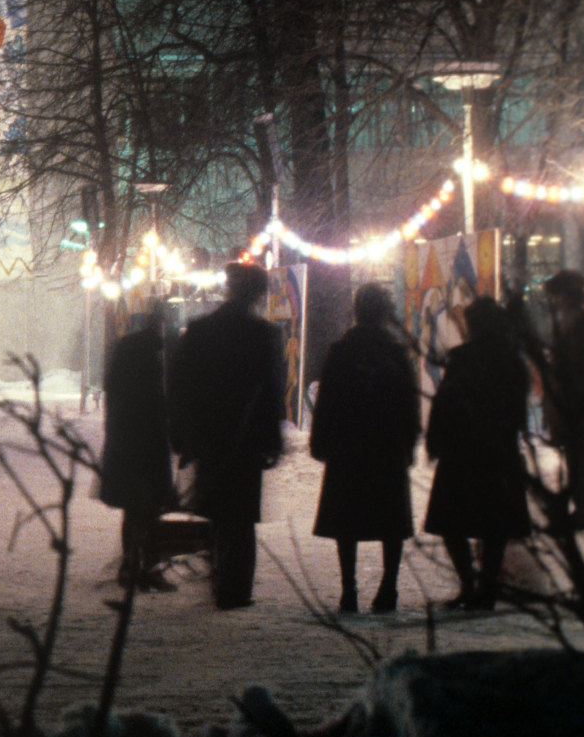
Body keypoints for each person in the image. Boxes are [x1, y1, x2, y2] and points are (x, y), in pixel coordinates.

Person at [167, 262, 287, 610]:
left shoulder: (202, 330)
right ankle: (235, 587)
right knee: (242, 517)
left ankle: (219, 575)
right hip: (246, 440)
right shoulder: (261, 334)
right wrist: (272, 440)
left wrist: (181, 435)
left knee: (217, 509)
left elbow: (179, 388)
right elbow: (270, 392)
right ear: (256, 293)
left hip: (209, 437)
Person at [310, 283, 420, 614]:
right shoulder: (396, 351)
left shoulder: (342, 350)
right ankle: (389, 588)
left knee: (348, 520)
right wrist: (409, 441)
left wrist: (321, 442)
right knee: (391, 521)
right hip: (387, 445)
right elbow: (409, 402)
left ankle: (349, 590)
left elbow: (327, 400)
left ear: (357, 310)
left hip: (349, 445)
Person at [424, 296, 532, 610]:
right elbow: (518, 408)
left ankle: (468, 582)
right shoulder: (511, 359)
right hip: (498, 450)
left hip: (462, 452)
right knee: (494, 526)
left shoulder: (463, 358)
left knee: (452, 523)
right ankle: (486, 587)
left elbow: (445, 404)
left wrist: (435, 441)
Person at [98, 303, 175, 589]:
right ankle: (149, 567)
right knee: (152, 508)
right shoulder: (152, 357)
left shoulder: (126, 350)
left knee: (134, 509)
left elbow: (113, 391)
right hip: (148, 444)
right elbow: (157, 402)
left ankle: (132, 565)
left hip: (125, 442)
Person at [542, 269, 584, 531]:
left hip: (578, 407)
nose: (556, 302)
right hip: (579, 405)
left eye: (557, 296)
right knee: (579, 461)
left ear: (565, 294)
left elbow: (577, 368)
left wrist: (566, 405)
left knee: (581, 461)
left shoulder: (581, 318)